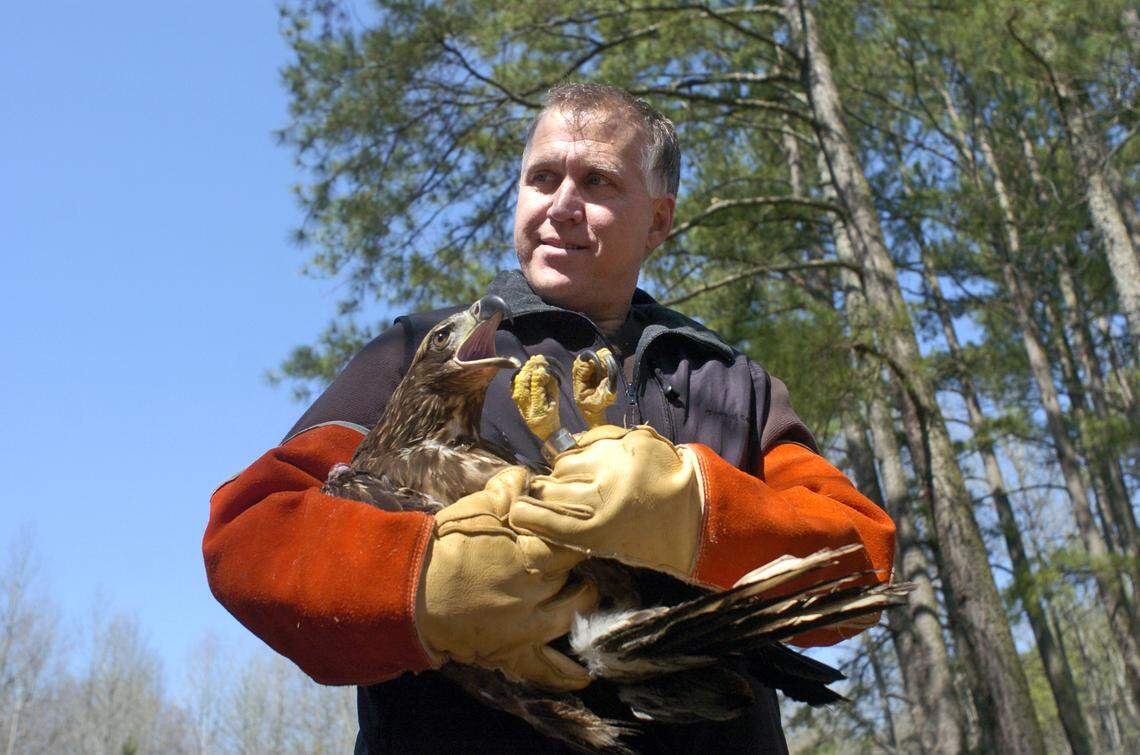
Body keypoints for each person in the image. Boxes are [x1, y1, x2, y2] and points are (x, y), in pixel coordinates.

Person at [204, 83, 895, 752]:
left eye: (597, 182)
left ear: (658, 219)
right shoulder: (417, 353)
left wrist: (701, 512)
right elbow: (249, 534)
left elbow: (861, 560)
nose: (562, 204)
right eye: (542, 178)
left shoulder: (728, 382)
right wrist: (416, 582)